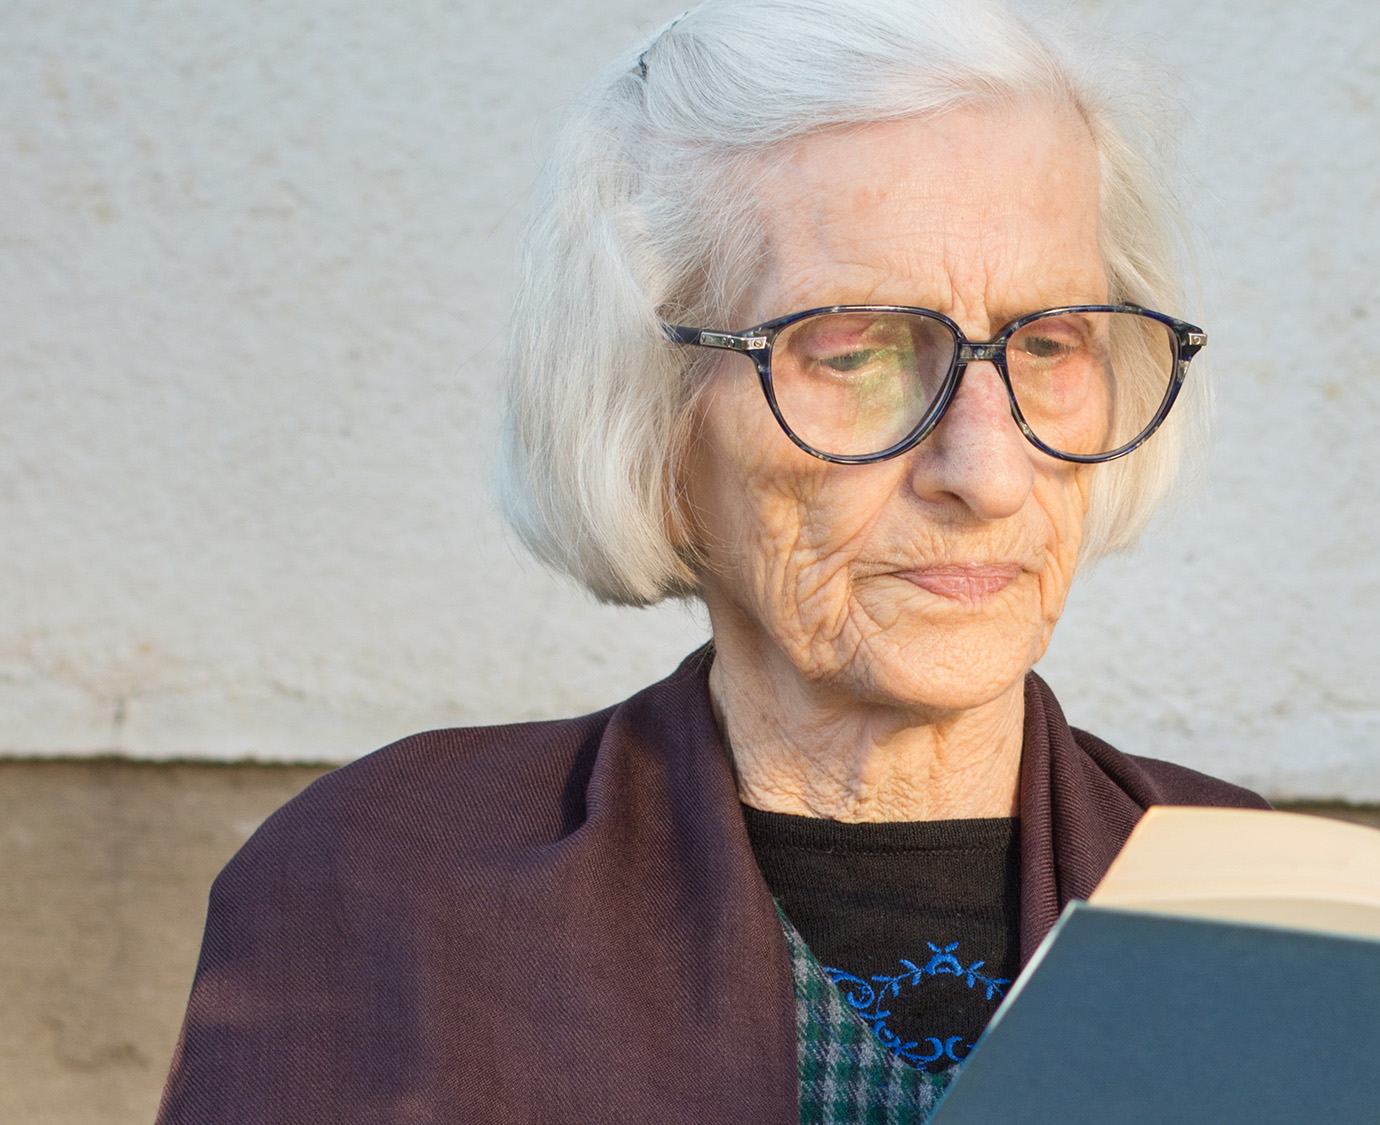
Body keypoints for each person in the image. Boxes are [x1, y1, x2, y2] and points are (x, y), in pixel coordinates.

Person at [156, 1, 1266, 1122]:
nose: (985, 470)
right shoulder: (389, 887)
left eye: (1047, 341)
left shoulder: (1278, 913)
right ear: (652, 412)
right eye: (857, 350)